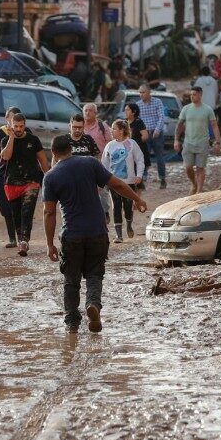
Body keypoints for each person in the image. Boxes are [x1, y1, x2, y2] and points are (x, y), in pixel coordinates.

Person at [43, 135, 147, 334]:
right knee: (94, 275)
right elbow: (116, 184)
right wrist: (136, 199)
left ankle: (72, 323)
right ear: (71, 149)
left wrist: (49, 244)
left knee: (71, 280)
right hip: (97, 232)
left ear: (54, 153)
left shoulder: (51, 176)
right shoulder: (90, 163)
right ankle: (93, 305)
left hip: (72, 234)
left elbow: (49, 212)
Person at [0, 113, 50, 255]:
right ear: (11, 125)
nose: (19, 129)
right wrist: (11, 138)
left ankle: (24, 242)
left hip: (31, 181)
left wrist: (48, 176)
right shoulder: (5, 140)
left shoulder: (33, 140)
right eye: (16, 126)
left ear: (25, 125)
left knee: (27, 212)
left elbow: (42, 160)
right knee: (16, 214)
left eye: (21, 126)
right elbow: (6, 156)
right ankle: (20, 238)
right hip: (12, 182)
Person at [0, 107, 23, 248]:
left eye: (16, 119)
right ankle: (12, 238)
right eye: (11, 119)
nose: (13, 122)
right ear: (7, 119)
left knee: (20, 206)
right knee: (6, 207)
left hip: (20, 175)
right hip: (3, 174)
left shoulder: (25, 133)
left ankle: (21, 238)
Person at [101, 120, 144, 242]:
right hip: (113, 181)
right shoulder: (109, 146)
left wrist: (139, 175)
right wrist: (103, 180)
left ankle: (129, 225)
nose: (111, 131)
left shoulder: (132, 143)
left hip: (129, 181)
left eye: (114, 129)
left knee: (128, 206)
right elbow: (104, 164)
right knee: (116, 206)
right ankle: (118, 235)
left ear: (122, 130)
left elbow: (140, 159)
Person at [175, 88, 221, 195]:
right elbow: (179, 125)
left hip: (203, 142)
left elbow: (214, 126)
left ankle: (199, 190)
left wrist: (218, 142)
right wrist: (176, 140)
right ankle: (194, 184)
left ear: (200, 95)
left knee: (200, 167)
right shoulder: (186, 109)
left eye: (194, 94)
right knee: (188, 167)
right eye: (191, 94)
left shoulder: (208, 109)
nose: (192, 96)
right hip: (188, 142)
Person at [137, 84, 168, 189]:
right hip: (144, 134)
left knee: (159, 157)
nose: (141, 95)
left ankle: (162, 179)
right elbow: (138, 120)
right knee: (143, 157)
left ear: (149, 92)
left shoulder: (157, 102)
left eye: (143, 92)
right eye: (140, 92)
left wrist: (157, 129)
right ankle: (142, 179)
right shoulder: (138, 105)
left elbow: (161, 117)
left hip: (156, 134)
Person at [124, 102, 150, 190]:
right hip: (126, 153)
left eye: (127, 110)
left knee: (138, 177)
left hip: (138, 152)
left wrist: (135, 145)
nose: (125, 112)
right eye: (125, 110)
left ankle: (137, 200)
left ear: (133, 112)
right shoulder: (124, 122)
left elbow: (145, 135)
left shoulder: (138, 122)